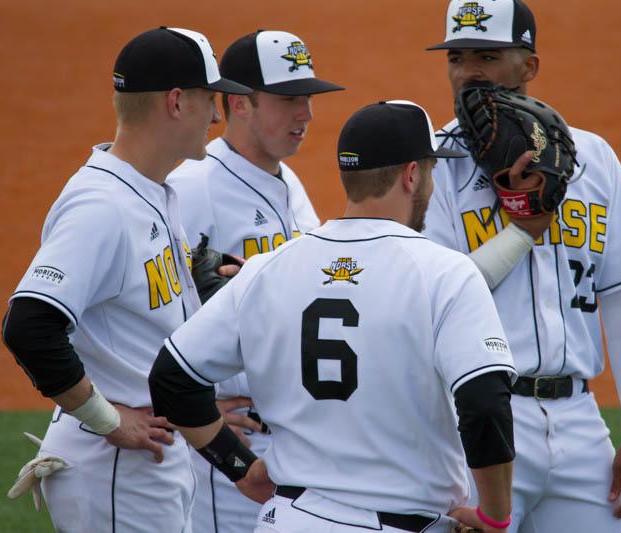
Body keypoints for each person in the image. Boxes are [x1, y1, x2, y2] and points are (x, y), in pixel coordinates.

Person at [150, 100, 518, 533]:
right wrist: (495, 518)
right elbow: (484, 404)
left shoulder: (269, 268)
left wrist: (240, 468)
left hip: (286, 519)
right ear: (411, 175)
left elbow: (171, 377)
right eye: (431, 172)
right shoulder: (446, 272)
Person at [424, 1, 621, 531]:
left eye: (486, 56)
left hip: (579, 422)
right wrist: (521, 229)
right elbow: (437, 298)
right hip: (476, 421)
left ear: (529, 66)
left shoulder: (592, 158)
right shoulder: (434, 166)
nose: (467, 73)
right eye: (456, 58)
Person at [1, 27, 252, 532]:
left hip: (145, 464)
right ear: (177, 102)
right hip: (113, 467)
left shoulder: (151, 189)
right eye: (211, 99)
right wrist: (107, 419)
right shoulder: (101, 205)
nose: (217, 117)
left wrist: (193, 281)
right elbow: (28, 324)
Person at [166, 29, 344, 533]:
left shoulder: (289, 182)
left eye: (307, 98)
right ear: (238, 104)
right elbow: (144, 309)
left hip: (290, 439)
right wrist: (198, 408)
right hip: (229, 451)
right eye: (289, 99)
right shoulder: (192, 187)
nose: (305, 114)